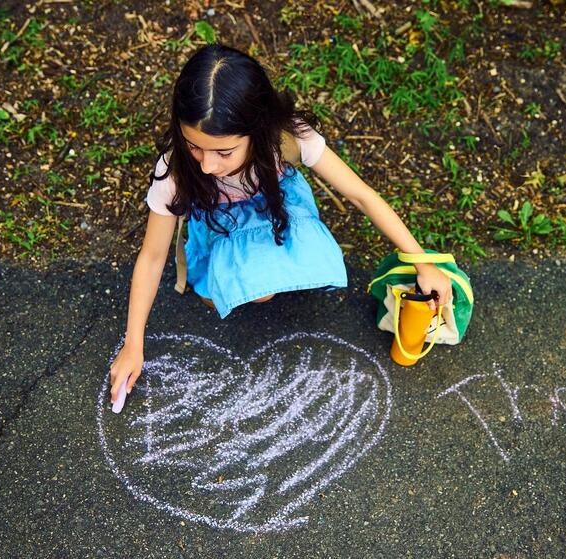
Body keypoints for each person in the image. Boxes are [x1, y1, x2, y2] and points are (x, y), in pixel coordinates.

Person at [109, 44, 453, 404]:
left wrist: (422, 262)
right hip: (221, 221)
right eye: (194, 147)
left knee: (262, 290)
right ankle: (248, 270)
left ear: (258, 131)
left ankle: (276, 265)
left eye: (224, 152)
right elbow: (151, 257)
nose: (207, 165)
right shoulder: (177, 171)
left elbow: (360, 195)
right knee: (229, 295)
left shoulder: (287, 138)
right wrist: (133, 343)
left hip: (275, 208)